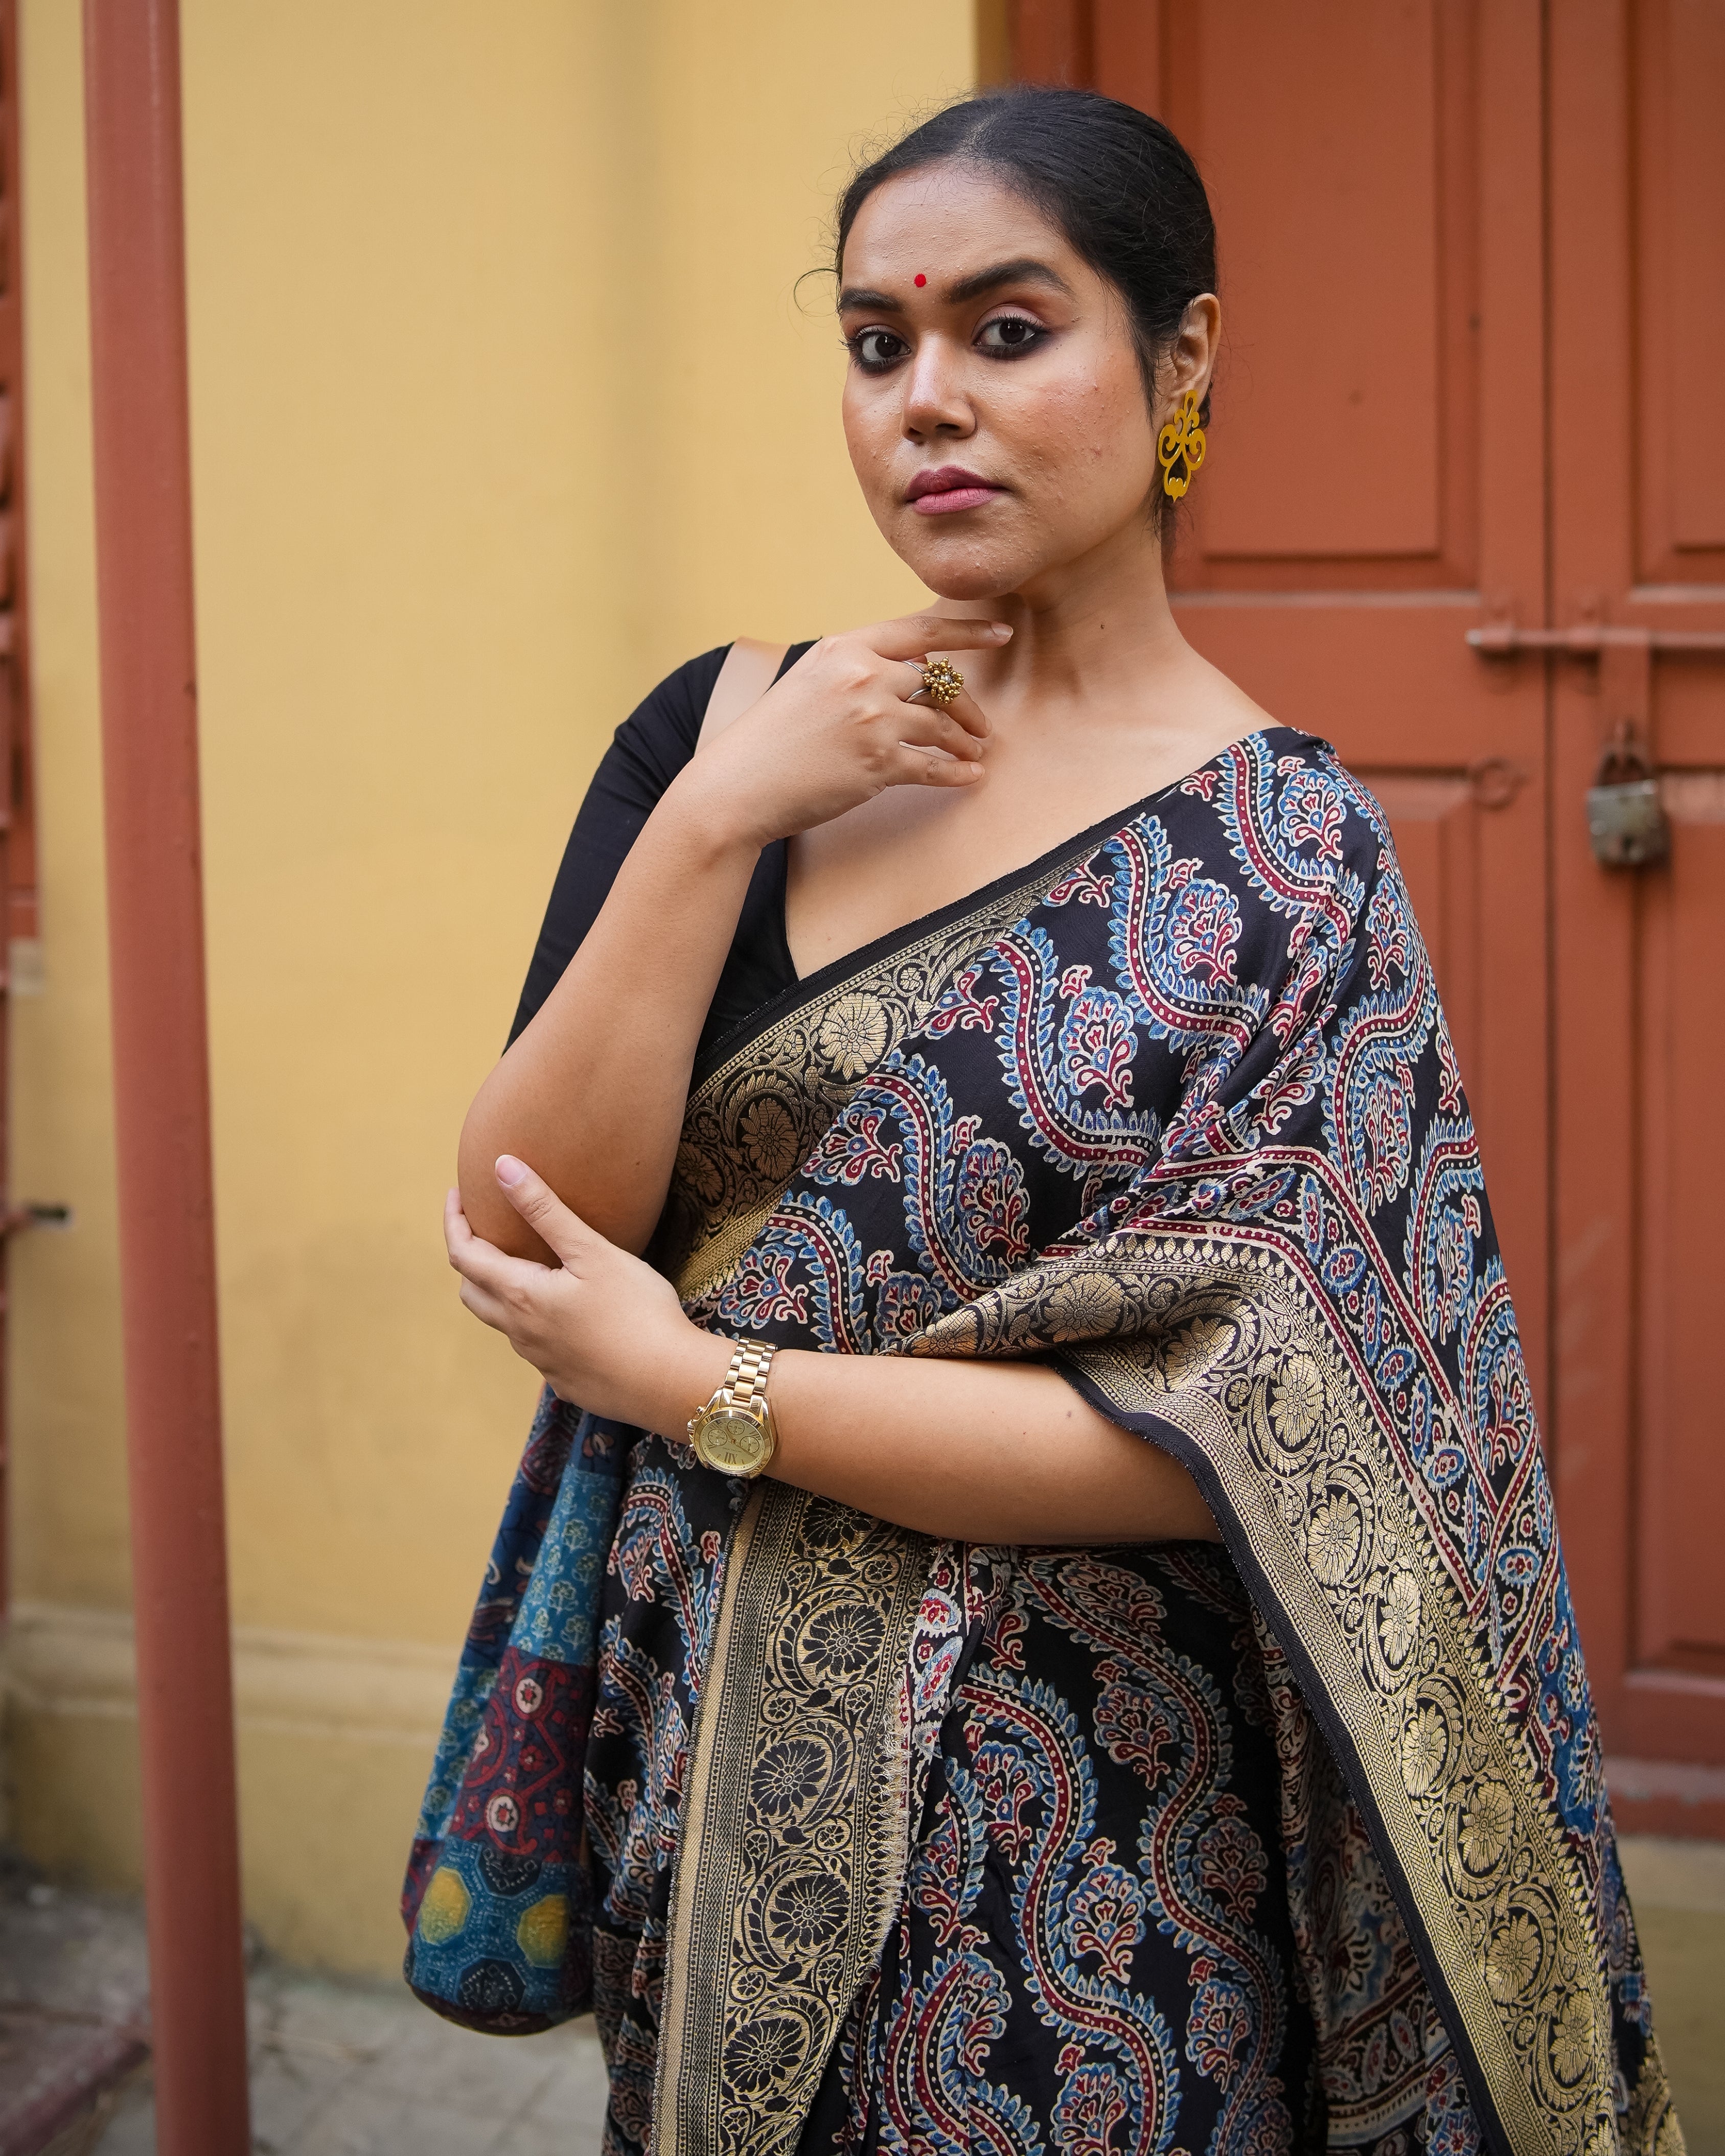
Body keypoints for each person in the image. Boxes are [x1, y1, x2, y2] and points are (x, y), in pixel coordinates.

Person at [405, 87, 1681, 2156]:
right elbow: (519, 1217)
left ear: (1178, 365)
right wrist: (722, 814)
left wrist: (697, 1378)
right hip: (711, 1748)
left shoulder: (1291, 860)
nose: (929, 399)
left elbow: (1248, 1443)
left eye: (1009, 331)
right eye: (876, 341)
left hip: (1098, 1824)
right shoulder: (723, 730)